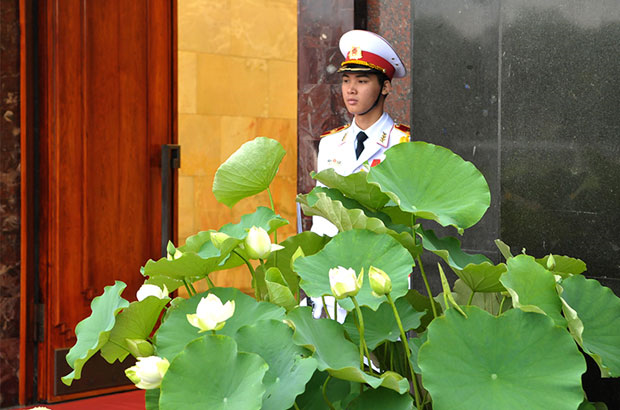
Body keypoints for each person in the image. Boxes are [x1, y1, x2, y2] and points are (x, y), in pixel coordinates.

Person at [309, 29, 410, 318]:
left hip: (379, 276)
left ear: (386, 87)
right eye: (346, 80)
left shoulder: (403, 143)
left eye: (362, 81)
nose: (350, 90)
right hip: (334, 279)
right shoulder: (330, 143)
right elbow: (322, 218)